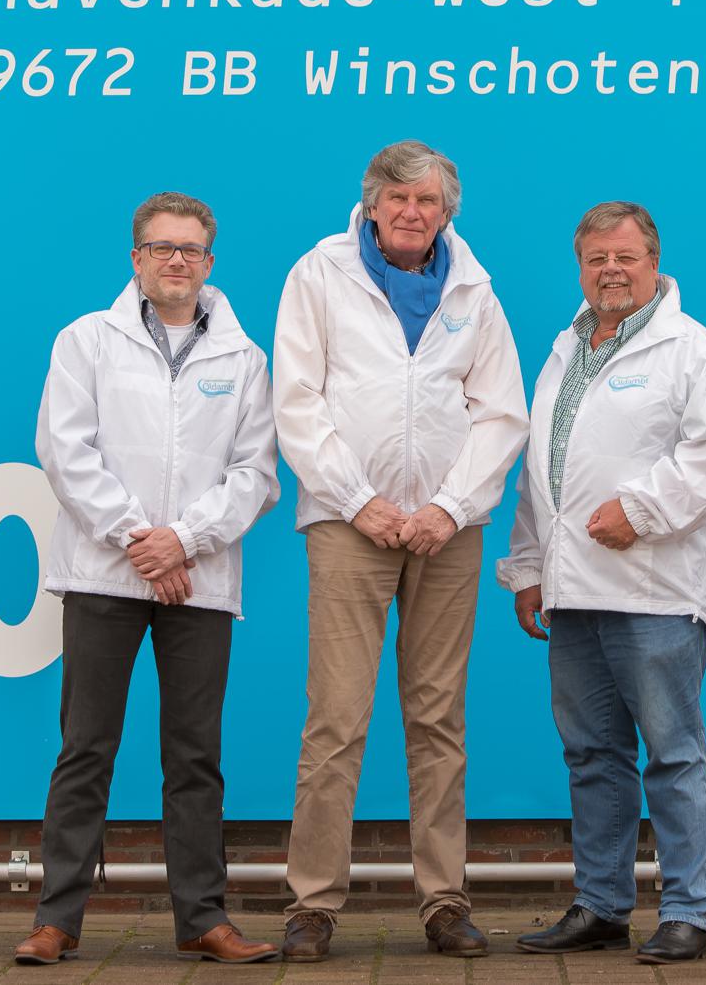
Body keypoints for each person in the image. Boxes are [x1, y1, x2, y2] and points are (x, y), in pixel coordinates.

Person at [273, 140, 528, 960]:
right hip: (349, 525)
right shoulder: (319, 274)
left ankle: (445, 902)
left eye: (428, 201)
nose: (412, 212)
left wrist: (450, 507)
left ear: (446, 212)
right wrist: (360, 501)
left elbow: (500, 413)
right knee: (336, 720)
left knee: (438, 719)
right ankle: (313, 905)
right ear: (373, 205)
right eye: (398, 198)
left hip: (448, 532)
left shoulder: (474, 290)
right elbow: (297, 402)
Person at [14, 192, 281, 967]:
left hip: (197, 579)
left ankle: (202, 919)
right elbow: (65, 451)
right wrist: (141, 541)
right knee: (85, 748)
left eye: (190, 249)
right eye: (162, 247)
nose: (176, 261)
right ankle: (57, 921)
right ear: (136, 259)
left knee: (194, 756)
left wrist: (183, 542)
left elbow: (256, 474)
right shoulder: (86, 341)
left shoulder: (244, 358)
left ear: (209, 262)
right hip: (105, 576)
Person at [496, 201, 706, 965]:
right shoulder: (565, 351)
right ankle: (602, 905)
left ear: (653, 262)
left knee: (672, 753)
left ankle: (687, 912)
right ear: (581, 268)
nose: (611, 270)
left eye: (625, 257)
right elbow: (543, 474)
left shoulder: (691, 350)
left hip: (654, 591)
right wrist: (529, 567)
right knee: (592, 756)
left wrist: (641, 511)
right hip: (574, 593)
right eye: (597, 259)